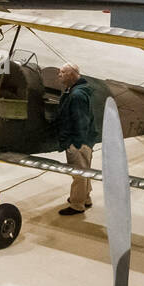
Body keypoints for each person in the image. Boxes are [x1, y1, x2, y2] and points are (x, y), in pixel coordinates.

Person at [55, 62, 98, 215]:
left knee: (78, 174)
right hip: (85, 140)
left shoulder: (77, 95)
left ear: (71, 74)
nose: (59, 75)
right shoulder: (78, 90)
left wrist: (76, 144)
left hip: (79, 142)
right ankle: (86, 198)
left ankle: (77, 205)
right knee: (85, 171)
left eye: (62, 72)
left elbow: (81, 121)